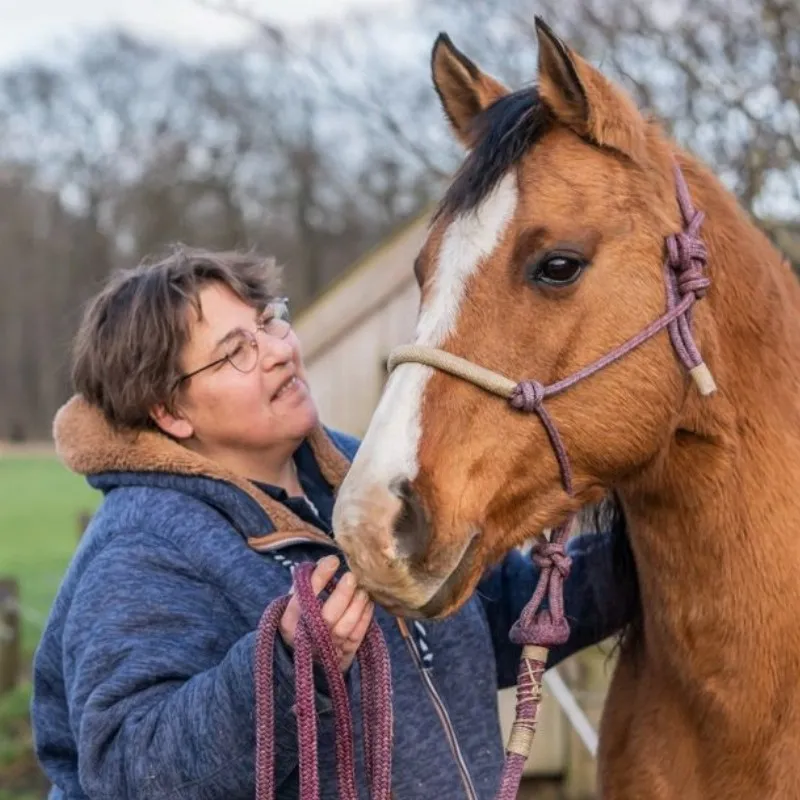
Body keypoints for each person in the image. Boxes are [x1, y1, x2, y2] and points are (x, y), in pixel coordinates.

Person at [30, 245, 631, 799]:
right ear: (170, 411)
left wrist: (646, 560)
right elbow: (132, 771)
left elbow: (495, 615)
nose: (277, 350)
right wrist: (291, 667)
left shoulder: (357, 474)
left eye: (268, 321)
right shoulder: (142, 549)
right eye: (236, 351)